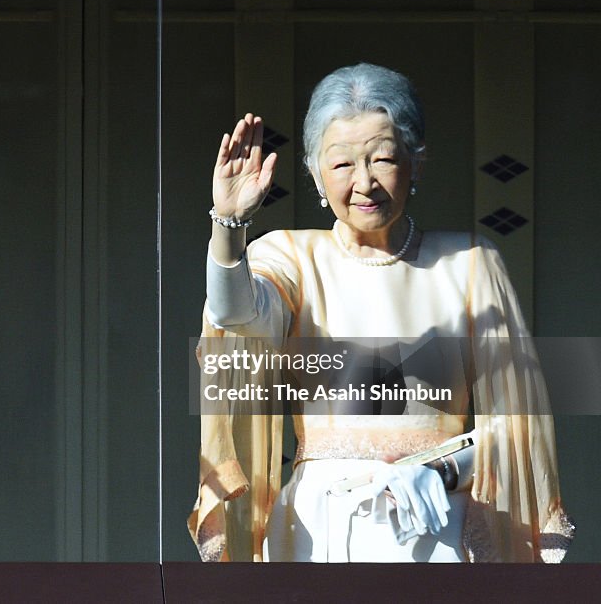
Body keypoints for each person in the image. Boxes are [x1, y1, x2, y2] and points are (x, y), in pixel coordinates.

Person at [189, 63, 573, 562]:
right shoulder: (287, 257)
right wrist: (231, 225)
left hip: (436, 520)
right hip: (319, 529)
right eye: (343, 164)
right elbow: (235, 315)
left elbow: (517, 424)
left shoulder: (471, 264)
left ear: (418, 163)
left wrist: (440, 470)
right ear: (314, 173)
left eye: (384, 159)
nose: (365, 182)